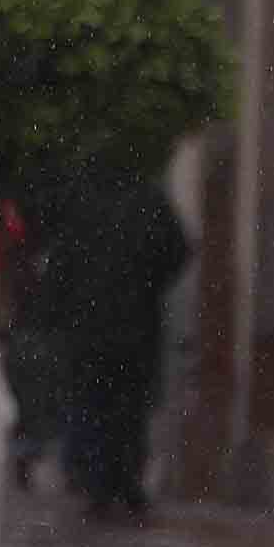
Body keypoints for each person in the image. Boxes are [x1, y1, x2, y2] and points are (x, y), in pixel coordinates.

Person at [48, 172, 194, 522]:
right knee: (129, 405)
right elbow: (179, 252)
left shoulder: (82, 200)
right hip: (135, 322)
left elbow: (60, 266)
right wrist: (148, 283)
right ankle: (125, 481)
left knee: (94, 402)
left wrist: (66, 305)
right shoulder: (148, 198)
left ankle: (100, 485)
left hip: (89, 325)